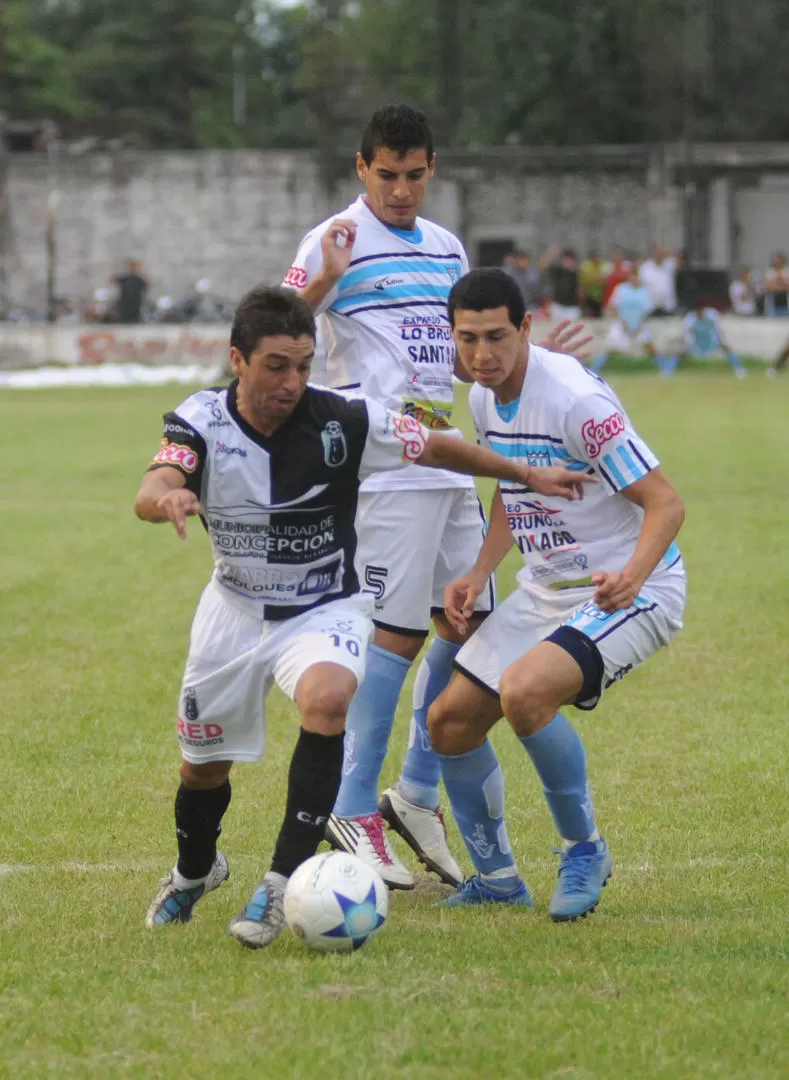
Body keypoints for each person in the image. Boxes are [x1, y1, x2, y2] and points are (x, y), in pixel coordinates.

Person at [135, 284, 591, 948]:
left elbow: (436, 447)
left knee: (328, 699)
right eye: (275, 367)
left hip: (324, 606)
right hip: (232, 613)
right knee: (201, 769)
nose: (292, 381)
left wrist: (520, 471)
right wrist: (165, 502)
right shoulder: (200, 419)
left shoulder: (344, 417)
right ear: (237, 359)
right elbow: (158, 480)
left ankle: (279, 883)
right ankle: (195, 871)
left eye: (302, 364)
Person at [284, 103, 589, 891]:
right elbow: (276, 329)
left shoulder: (446, 247)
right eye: (386, 175)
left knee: (476, 622)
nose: (399, 190)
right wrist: (323, 280)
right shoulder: (333, 239)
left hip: (452, 459)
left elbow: (460, 356)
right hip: (384, 464)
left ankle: (414, 793)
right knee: (392, 635)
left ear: (430, 169)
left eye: (414, 175)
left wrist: (528, 357)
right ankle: (353, 807)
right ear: (361, 169)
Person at [425, 268, 686, 922]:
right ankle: (497, 878)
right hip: (546, 589)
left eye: (495, 337)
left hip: (635, 587)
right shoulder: (484, 399)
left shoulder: (574, 401)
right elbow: (516, 492)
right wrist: (481, 570)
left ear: (526, 329)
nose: (481, 355)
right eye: (467, 340)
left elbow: (664, 504)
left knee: (523, 690)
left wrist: (629, 576)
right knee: (448, 724)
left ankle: (583, 850)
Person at [592, 265, 664, 375]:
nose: (634, 279)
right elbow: (613, 306)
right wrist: (622, 320)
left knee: (649, 346)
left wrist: (640, 322)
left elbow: (648, 310)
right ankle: (595, 370)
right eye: (632, 276)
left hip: (639, 325)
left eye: (636, 276)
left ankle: (664, 370)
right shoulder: (621, 289)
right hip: (622, 325)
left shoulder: (644, 291)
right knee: (611, 349)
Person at [663, 302, 746, 378]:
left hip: (711, 340)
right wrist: (690, 344)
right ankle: (668, 370)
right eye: (698, 312)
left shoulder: (712, 315)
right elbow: (686, 334)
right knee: (681, 353)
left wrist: (719, 340)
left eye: (701, 311)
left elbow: (717, 329)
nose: (700, 314)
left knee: (726, 349)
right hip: (696, 341)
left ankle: (739, 369)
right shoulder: (690, 320)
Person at [639, 247, 677, 316]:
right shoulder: (645, 267)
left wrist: (668, 253)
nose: (660, 256)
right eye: (658, 254)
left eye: (662, 254)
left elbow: (678, 259)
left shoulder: (669, 265)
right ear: (653, 254)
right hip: (651, 307)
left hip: (667, 307)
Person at [113, 258, 149, 324]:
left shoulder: (139, 279)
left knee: (135, 322)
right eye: (131, 267)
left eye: (134, 268)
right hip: (124, 306)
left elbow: (148, 281)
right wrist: (116, 268)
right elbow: (111, 279)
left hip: (136, 306)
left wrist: (144, 269)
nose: (132, 269)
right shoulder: (124, 278)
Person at [578, 251, 607, 317]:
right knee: (588, 315)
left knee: (599, 316)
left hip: (600, 297)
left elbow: (604, 280)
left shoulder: (604, 265)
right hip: (589, 296)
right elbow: (583, 281)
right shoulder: (586, 265)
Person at [763, 252, 789, 317]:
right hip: (773, 301)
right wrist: (781, 283)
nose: (777, 262)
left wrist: (776, 282)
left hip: (786, 301)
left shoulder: (787, 270)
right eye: (776, 260)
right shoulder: (770, 272)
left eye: (779, 260)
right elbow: (768, 287)